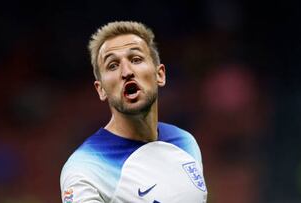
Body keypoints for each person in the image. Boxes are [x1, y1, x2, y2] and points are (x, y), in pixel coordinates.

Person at [60, 21, 207, 203]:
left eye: (136, 60)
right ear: (101, 89)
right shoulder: (86, 167)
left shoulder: (185, 142)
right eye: (113, 65)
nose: (126, 71)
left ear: (159, 75)